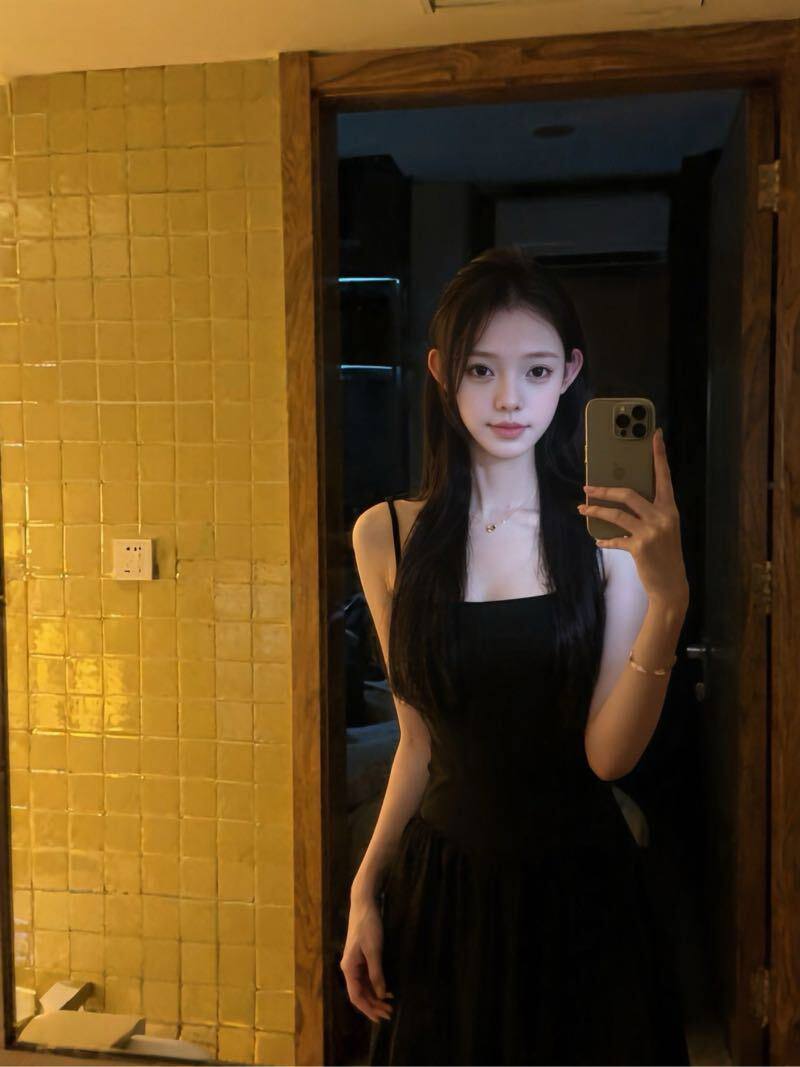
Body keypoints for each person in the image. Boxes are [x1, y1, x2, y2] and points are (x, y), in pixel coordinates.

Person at [341, 246, 691, 1065]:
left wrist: (669, 601)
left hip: (583, 901)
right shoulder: (386, 536)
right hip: (444, 895)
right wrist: (364, 888)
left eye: (534, 371)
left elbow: (607, 758)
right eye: (481, 369)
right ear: (442, 372)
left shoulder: (608, 539)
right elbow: (418, 745)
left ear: (569, 373)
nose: (508, 398)